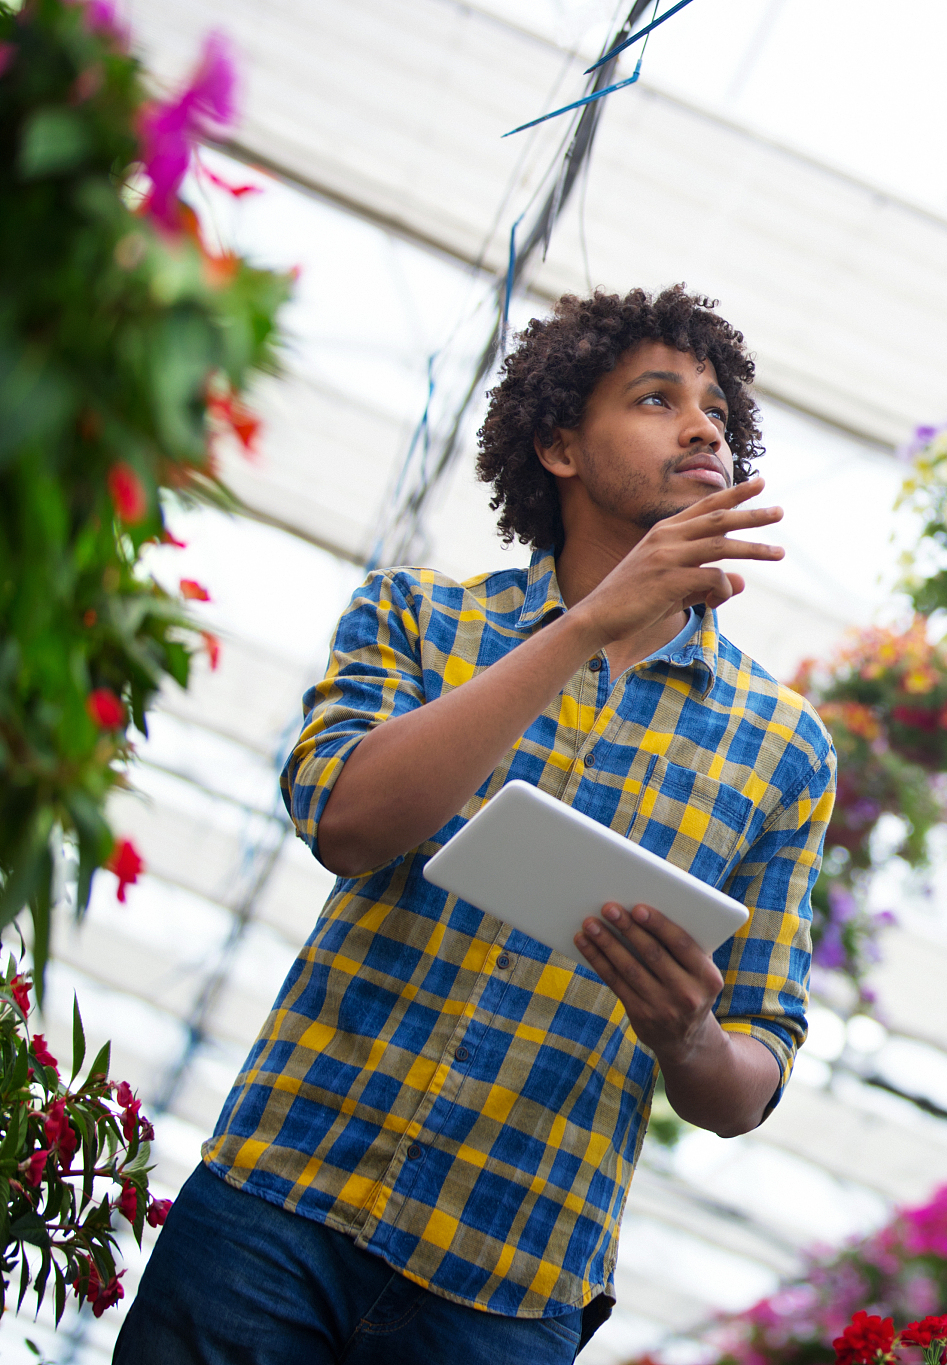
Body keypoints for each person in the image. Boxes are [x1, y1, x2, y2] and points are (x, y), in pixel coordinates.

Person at [115, 287, 835, 1363]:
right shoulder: (418, 618)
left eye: (719, 416)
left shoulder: (785, 749)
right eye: (657, 399)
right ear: (558, 444)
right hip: (279, 1208)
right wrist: (590, 623)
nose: (702, 430)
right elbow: (348, 821)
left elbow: (754, 1068)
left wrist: (688, 1038)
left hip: (507, 1291)